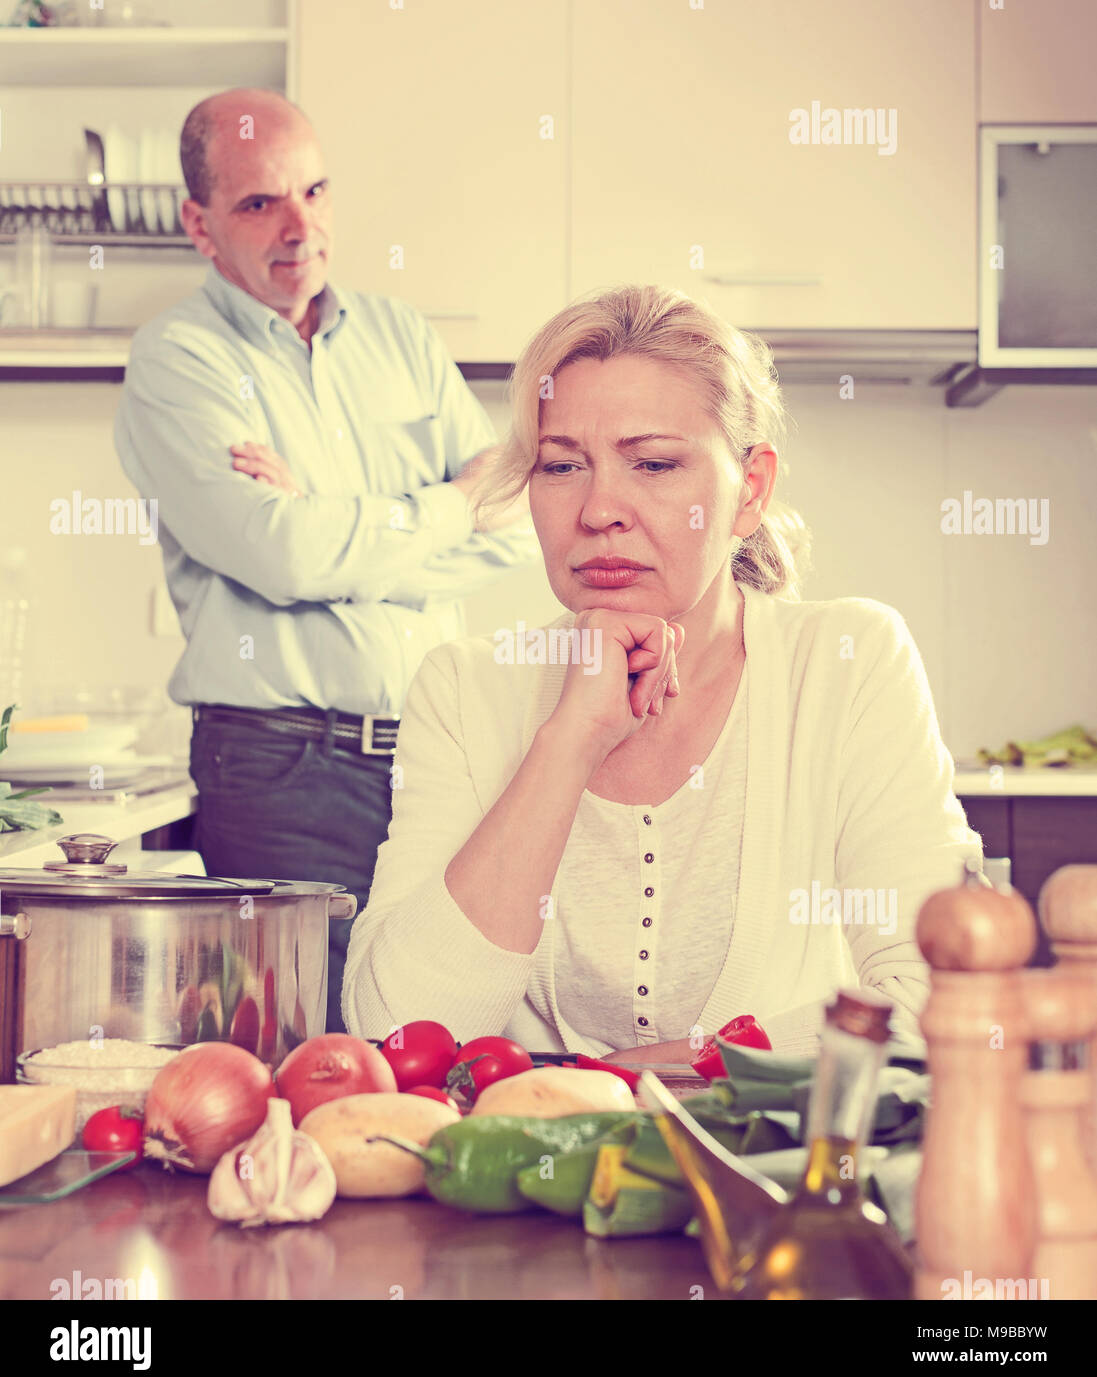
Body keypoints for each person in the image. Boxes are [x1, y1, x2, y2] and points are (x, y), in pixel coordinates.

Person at [341, 283, 983, 1059]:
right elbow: (396, 1030)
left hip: (769, 1178)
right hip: (515, 1179)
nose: (599, 509)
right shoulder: (464, 688)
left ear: (749, 490)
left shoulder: (847, 663)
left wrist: (645, 1074)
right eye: (560, 466)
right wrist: (567, 742)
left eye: (652, 463)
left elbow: (939, 1000)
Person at [115, 88, 539, 1032]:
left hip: (430, 748)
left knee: (430, 1025)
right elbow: (284, 557)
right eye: (259, 203)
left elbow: (518, 523)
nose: (297, 227)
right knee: (292, 1044)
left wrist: (332, 524)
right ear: (200, 224)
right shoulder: (176, 360)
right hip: (280, 764)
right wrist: (447, 504)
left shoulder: (400, 337)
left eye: (313, 191)